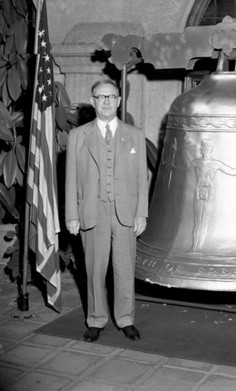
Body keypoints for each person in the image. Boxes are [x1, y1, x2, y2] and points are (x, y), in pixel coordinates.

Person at [65, 79, 148, 343]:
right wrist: (72, 215)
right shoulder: (78, 136)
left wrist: (141, 213)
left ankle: (126, 319)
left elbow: (140, 178)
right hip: (92, 212)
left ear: (119, 101)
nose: (106, 102)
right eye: (101, 97)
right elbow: (70, 180)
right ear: (92, 101)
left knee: (124, 270)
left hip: (125, 213)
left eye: (111, 97)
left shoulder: (134, 134)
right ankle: (96, 320)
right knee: (94, 270)